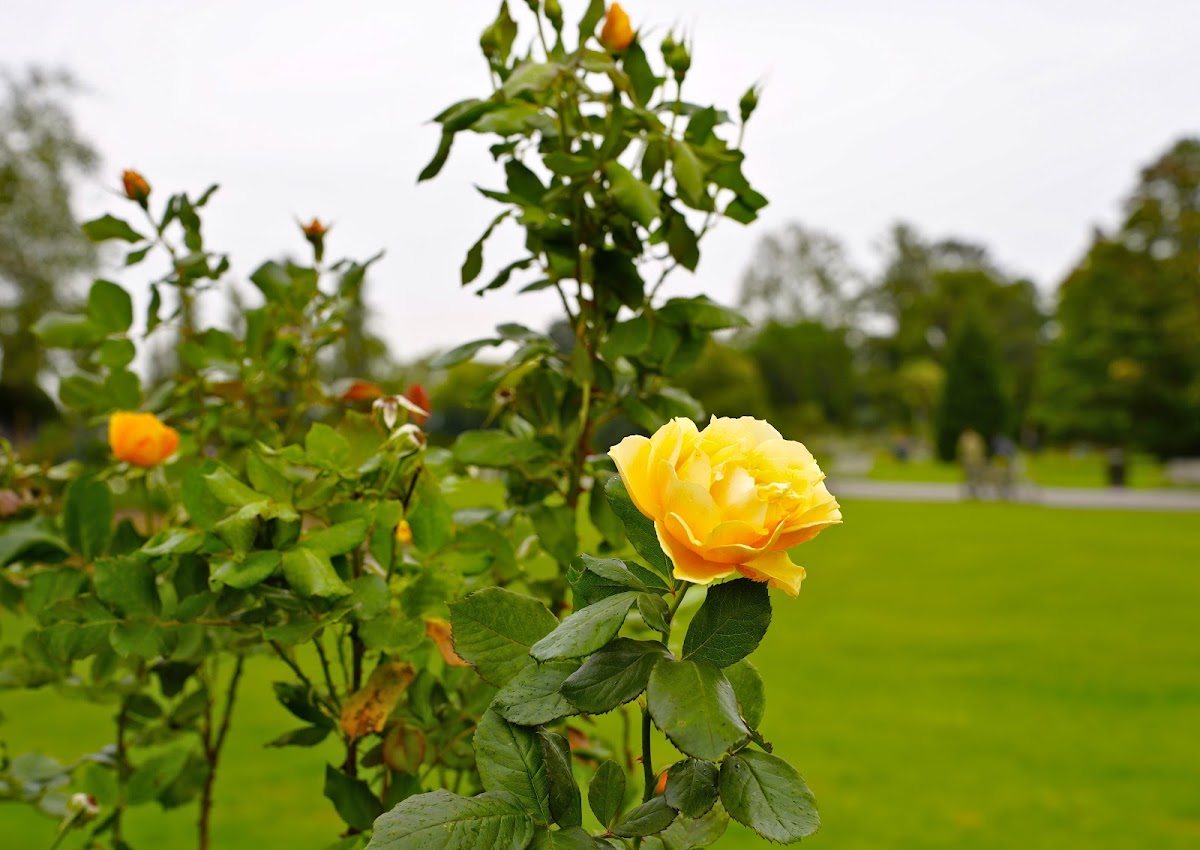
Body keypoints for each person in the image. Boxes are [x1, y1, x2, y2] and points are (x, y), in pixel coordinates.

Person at [957, 429, 986, 499]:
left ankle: (975, 493)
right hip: (968, 462)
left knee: (976, 478)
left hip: (975, 462)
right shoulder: (965, 441)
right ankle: (970, 493)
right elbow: (961, 452)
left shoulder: (976, 441)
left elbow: (980, 452)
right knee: (968, 479)